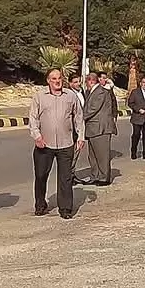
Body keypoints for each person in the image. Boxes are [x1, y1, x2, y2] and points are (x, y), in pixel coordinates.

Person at [31, 67, 85, 219]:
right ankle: (40, 205)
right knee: (41, 175)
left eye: (59, 78)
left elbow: (78, 117)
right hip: (44, 144)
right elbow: (33, 118)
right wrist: (37, 136)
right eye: (53, 79)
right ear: (48, 81)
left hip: (66, 143)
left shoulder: (70, 96)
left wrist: (81, 136)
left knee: (65, 178)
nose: (57, 81)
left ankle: (65, 208)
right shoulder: (39, 96)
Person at [82, 69, 119, 184]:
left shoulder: (100, 92)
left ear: (91, 81)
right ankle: (95, 176)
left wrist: (79, 118)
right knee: (93, 156)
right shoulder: (92, 92)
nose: (86, 85)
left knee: (102, 155)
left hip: (100, 129)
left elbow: (92, 109)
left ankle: (104, 178)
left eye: (86, 82)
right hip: (93, 129)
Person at [128, 73, 145, 159]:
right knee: (136, 135)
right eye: (143, 82)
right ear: (140, 83)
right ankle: (133, 152)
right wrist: (139, 109)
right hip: (137, 117)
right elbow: (130, 103)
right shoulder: (135, 92)